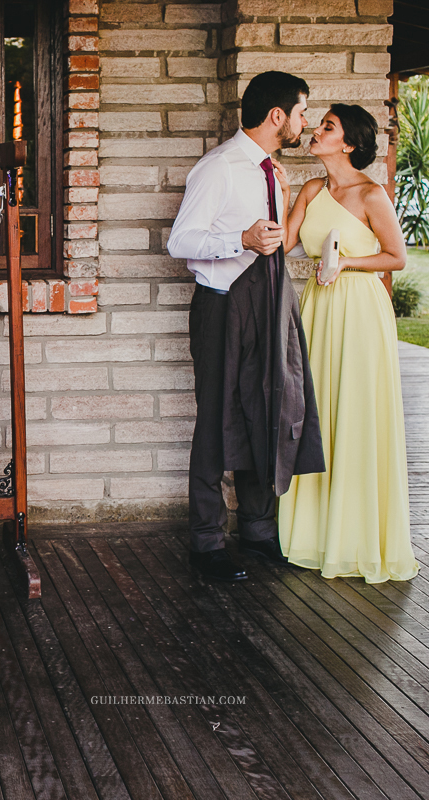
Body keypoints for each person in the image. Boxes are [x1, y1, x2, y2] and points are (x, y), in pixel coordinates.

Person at [167, 70, 322, 582]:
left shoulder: (272, 171)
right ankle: (207, 543)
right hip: (222, 308)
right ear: (277, 115)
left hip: (270, 305)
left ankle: (258, 532)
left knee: (268, 408)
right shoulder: (219, 167)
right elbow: (180, 241)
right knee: (217, 420)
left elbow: (277, 239)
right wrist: (241, 240)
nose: (305, 122)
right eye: (301, 113)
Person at [273, 104, 418, 582]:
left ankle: (355, 535)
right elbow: (284, 242)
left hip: (359, 309)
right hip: (320, 307)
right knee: (318, 409)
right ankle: (313, 534)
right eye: (319, 124)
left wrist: (347, 263)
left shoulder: (372, 194)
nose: (316, 130)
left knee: (355, 410)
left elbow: (396, 257)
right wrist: (284, 193)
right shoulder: (313, 190)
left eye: (328, 127)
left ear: (349, 143)